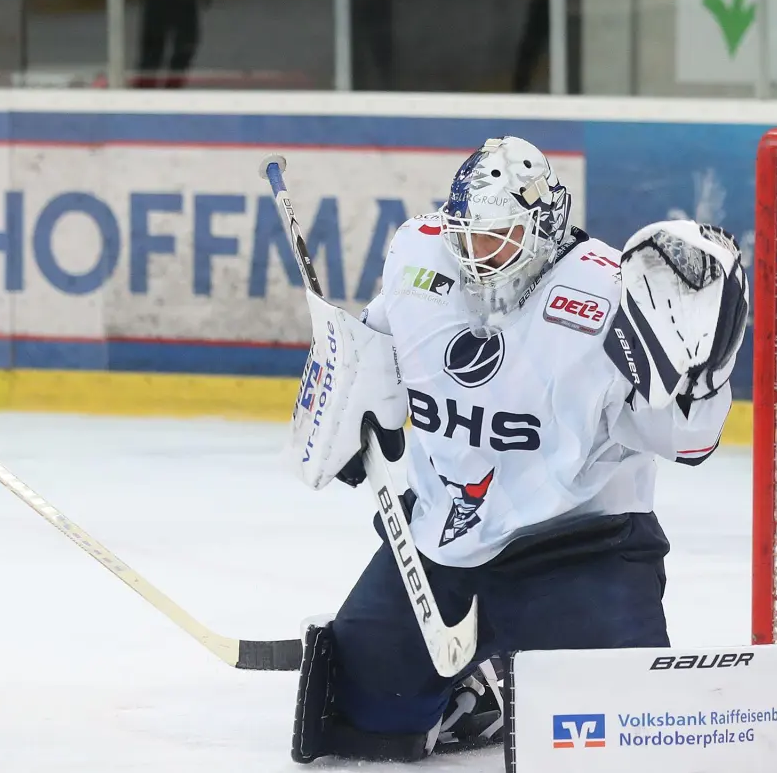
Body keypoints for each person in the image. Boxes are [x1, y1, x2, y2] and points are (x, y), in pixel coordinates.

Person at [286, 136, 747, 762]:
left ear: (543, 224)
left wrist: (704, 378)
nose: (476, 258)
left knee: (620, 741)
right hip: (439, 546)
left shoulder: (611, 295)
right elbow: (379, 344)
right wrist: (345, 393)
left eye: (497, 239)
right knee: (359, 718)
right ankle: (470, 696)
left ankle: (537, 650)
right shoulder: (419, 254)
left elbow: (686, 443)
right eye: (466, 238)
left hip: (578, 552)